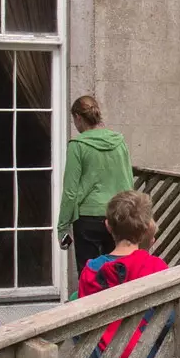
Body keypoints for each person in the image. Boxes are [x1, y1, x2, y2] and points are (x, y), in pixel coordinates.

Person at [77, 190, 169, 358]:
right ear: (146, 229)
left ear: (108, 226)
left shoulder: (91, 271)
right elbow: (168, 318)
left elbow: (81, 321)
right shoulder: (156, 268)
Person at [57, 94, 135, 279]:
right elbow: (128, 179)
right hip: (118, 216)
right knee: (119, 272)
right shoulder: (119, 141)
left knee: (89, 275)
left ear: (78, 117)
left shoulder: (77, 146)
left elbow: (70, 191)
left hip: (87, 218)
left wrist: (62, 227)